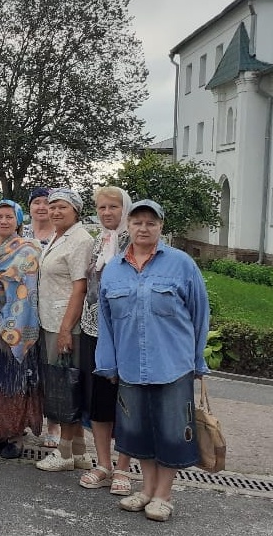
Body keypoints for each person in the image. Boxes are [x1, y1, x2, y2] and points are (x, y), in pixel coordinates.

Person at [97, 200, 209, 522]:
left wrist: (197, 359)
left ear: (161, 226)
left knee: (172, 432)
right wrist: (109, 364)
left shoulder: (182, 264)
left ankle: (163, 495)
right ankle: (146, 489)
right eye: (137, 222)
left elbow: (200, 314)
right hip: (130, 366)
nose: (143, 228)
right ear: (128, 227)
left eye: (151, 223)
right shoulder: (114, 269)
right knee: (138, 431)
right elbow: (106, 322)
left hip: (173, 364)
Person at [35, 188, 96, 472]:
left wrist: (64, 330)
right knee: (65, 382)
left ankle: (65, 453)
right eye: (52, 206)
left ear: (76, 211)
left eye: (62, 207)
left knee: (65, 386)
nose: (55, 211)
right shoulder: (59, 237)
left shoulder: (80, 240)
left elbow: (79, 287)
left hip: (65, 324)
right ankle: (81, 452)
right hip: (51, 320)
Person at [78, 186, 134, 495]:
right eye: (101, 207)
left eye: (113, 207)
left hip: (123, 334)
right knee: (98, 400)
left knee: (125, 402)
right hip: (94, 330)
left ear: (125, 209)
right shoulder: (99, 241)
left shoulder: (133, 241)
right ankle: (103, 464)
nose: (107, 212)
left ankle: (124, 467)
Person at [0, 200, 43, 459]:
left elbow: (27, 290)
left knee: (17, 382)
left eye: (10, 216)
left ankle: (16, 437)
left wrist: (8, 322)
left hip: (17, 325)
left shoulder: (28, 249)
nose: (4, 221)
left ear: (19, 221)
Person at [22, 186, 59, 448]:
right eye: (37, 202)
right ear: (30, 207)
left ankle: (54, 426)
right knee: (25, 370)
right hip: (22, 314)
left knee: (51, 369)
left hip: (51, 312)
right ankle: (24, 420)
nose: (42, 207)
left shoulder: (61, 236)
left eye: (47, 202)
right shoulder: (21, 235)